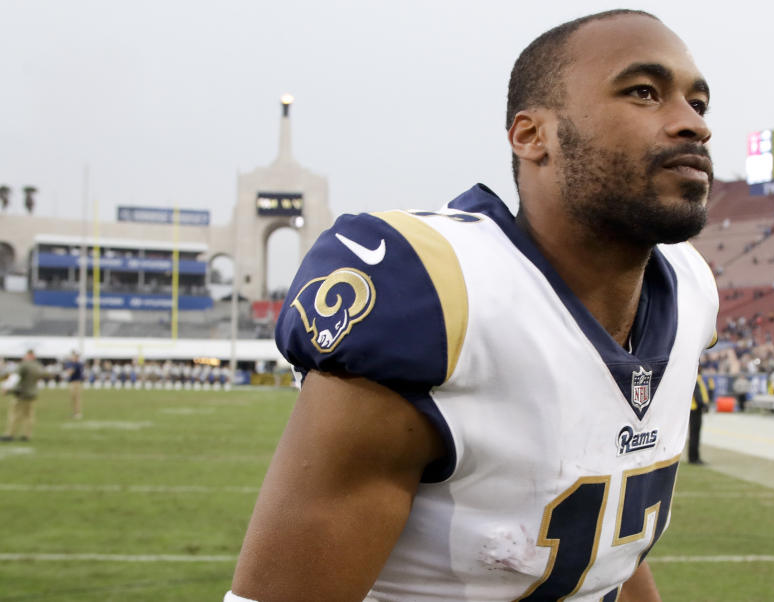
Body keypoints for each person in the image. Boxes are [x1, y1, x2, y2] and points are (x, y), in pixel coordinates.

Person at [229, 9, 716, 601]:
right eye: (644, 92)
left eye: (699, 103)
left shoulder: (689, 290)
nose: (693, 125)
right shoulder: (442, 299)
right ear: (531, 135)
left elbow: (608, 552)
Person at [1, 350, 45, 442]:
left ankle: (10, 434)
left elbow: (15, 378)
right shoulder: (37, 366)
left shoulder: (24, 365)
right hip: (32, 393)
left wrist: (7, 388)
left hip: (22, 393)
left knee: (15, 415)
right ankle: (26, 435)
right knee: (29, 416)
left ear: (28, 356)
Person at [688, 372, 710, 465]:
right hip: (695, 409)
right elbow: (698, 395)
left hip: (695, 409)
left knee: (694, 435)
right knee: (695, 435)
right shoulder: (696, 379)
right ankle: (694, 458)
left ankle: (693, 457)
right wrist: (704, 405)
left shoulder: (698, 378)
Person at [64, 351, 84, 419]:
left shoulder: (78, 364)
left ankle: (78, 413)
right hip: (72, 382)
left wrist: (68, 368)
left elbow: (70, 372)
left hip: (77, 383)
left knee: (77, 398)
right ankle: (75, 412)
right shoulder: (72, 364)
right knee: (73, 398)